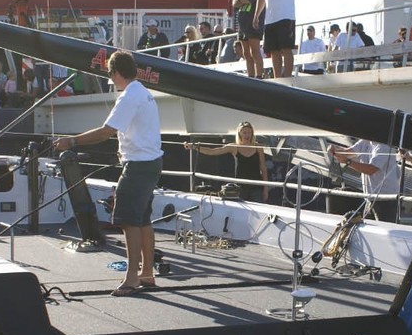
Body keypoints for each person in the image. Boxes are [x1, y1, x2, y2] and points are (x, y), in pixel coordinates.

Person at [53, 50, 163, 297]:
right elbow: (132, 130)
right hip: (152, 162)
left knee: (127, 221)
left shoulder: (128, 97)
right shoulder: (144, 93)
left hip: (138, 166)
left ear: (115, 72)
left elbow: (106, 131)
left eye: (110, 75)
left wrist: (71, 141)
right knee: (143, 219)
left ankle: (132, 278)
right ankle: (147, 273)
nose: (110, 79)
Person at [184, 121, 269, 203]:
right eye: (244, 132)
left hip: (257, 187)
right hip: (241, 187)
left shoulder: (258, 147)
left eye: (249, 132)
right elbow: (212, 151)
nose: (247, 135)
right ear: (240, 133)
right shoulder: (234, 147)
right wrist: (194, 147)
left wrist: (265, 189)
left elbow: (263, 168)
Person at [329, 138, 401, 222]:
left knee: (384, 231)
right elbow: (347, 153)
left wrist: (348, 162)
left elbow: (371, 170)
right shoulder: (365, 141)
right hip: (370, 199)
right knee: (369, 230)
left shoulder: (384, 146)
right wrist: (334, 149)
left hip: (386, 200)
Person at [233, 0, 265, 78]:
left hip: (254, 21)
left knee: (254, 50)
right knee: (246, 52)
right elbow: (234, 3)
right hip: (242, 23)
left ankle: (259, 75)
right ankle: (250, 76)